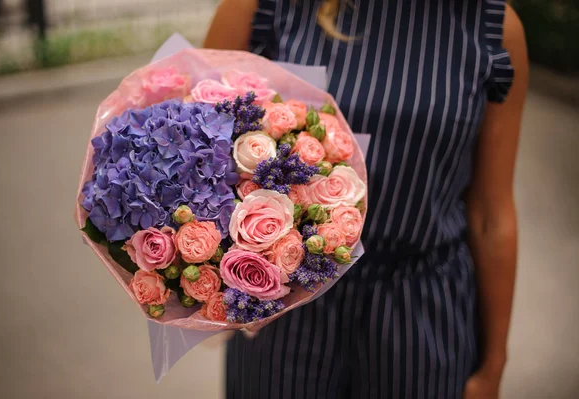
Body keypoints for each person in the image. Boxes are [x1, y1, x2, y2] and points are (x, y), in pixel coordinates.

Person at [204, 0, 527, 397]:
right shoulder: (264, 8)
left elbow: (489, 214)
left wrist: (493, 367)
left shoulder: (490, 26)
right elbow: (198, 158)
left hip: (421, 313)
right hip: (285, 309)